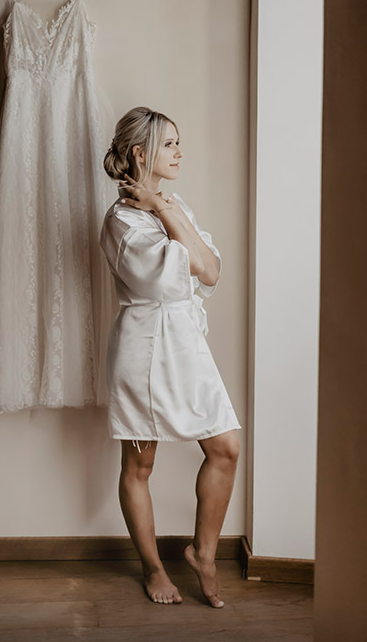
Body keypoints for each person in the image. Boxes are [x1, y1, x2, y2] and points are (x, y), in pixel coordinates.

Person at [100, 107, 241, 607]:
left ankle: (204, 553)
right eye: (171, 144)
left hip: (186, 343)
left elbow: (211, 270)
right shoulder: (120, 221)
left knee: (226, 446)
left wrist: (164, 206)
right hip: (144, 348)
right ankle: (153, 567)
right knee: (141, 464)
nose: (181, 152)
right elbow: (171, 275)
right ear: (142, 153)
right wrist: (169, 217)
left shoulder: (171, 204)